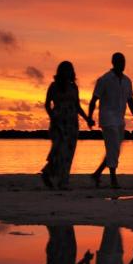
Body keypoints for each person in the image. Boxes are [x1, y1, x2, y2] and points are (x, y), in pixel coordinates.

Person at [86, 52, 133, 189]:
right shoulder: (104, 79)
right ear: (113, 63)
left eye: (123, 62)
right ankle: (113, 179)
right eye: (119, 62)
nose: (122, 64)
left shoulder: (127, 81)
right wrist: (89, 117)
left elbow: (130, 101)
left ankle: (97, 174)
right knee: (113, 149)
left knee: (114, 150)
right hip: (107, 119)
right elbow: (94, 99)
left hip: (120, 120)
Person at [40, 61, 93, 190]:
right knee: (58, 151)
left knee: (68, 153)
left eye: (69, 70)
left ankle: (61, 181)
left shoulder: (74, 87)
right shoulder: (53, 86)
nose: (68, 73)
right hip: (58, 122)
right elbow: (47, 104)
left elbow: (77, 106)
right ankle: (49, 173)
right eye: (65, 70)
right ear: (60, 72)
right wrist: (52, 116)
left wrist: (87, 119)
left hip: (72, 123)